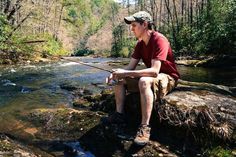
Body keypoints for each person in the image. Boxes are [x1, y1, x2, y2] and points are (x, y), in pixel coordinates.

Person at [103, 11, 180, 146]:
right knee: (119, 78)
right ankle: (119, 115)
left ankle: (145, 127)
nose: (131, 28)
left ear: (144, 24)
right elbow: (130, 67)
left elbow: (155, 71)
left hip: (168, 77)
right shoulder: (140, 44)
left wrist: (125, 73)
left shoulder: (159, 39)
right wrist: (115, 73)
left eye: (134, 25)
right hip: (153, 77)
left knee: (144, 81)